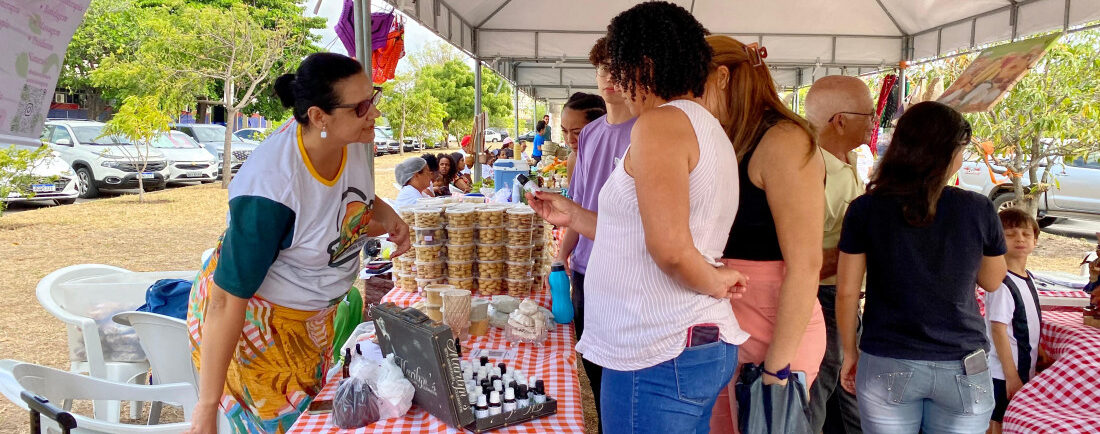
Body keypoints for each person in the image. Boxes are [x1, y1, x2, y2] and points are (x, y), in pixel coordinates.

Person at [527, 3, 749, 431]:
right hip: (680, 347)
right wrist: (574, 214)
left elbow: (669, 249)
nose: (618, 87)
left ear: (643, 68)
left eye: (620, 71)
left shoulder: (661, 125)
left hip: (658, 349)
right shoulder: (699, 124)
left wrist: (715, 281)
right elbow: (644, 232)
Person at [185, 52, 411, 433]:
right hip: (259, 332)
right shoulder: (271, 189)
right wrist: (206, 407)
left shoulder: (351, 136)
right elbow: (226, 301)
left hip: (312, 321)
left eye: (373, 98)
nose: (373, 114)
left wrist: (387, 217)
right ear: (319, 116)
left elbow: (345, 205)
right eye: (360, 107)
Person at [837, 101, 1008, 433]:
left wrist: (849, 352)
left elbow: (846, 293)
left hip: (886, 358)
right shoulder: (977, 208)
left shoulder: (865, 209)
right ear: (948, 152)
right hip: (963, 365)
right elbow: (992, 280)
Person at [701, 35, 827, 433]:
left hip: (774, 324)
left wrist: (778, 366)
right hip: (722, 320)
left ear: (721, 78)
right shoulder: (723, 135)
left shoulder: (784, 141)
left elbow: (806, 264)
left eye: (691, 86)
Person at [552, 38, 634, 429]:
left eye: (618, 69)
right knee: (591, 357)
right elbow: (577, 205)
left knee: (624, 365)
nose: (610, 78)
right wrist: (561, 258)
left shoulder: (651, 131)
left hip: (627, 267)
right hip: (587, 266)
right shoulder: (591, 137)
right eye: (603, 69)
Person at [803, 75, 875, 434]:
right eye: (869, 113)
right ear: (841, 120)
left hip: (842, 301)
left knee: (849, 395)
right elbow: (802, 262)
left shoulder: (847, 162)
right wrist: (862, 251)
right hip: (822, 301)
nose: (875, 121)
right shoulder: (812, 171)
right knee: (816, 399)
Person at [986, 208, 1049, 434]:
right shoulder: (1002, 283)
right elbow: (998, 330)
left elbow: (1024, 320)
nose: (1020, 239)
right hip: (1003, 373)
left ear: (1035, 240)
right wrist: (1011, 376)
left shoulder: (1027, 277)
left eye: (1026, 234)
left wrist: (1038, 347)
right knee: (998, 423)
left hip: (1022, 367)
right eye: (1010, 234)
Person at [559, 92, 607, 183]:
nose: (569, 140)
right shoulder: (573, 159)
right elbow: (574, 198)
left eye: (577, 132)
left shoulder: (616, 161)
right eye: (564, 131)